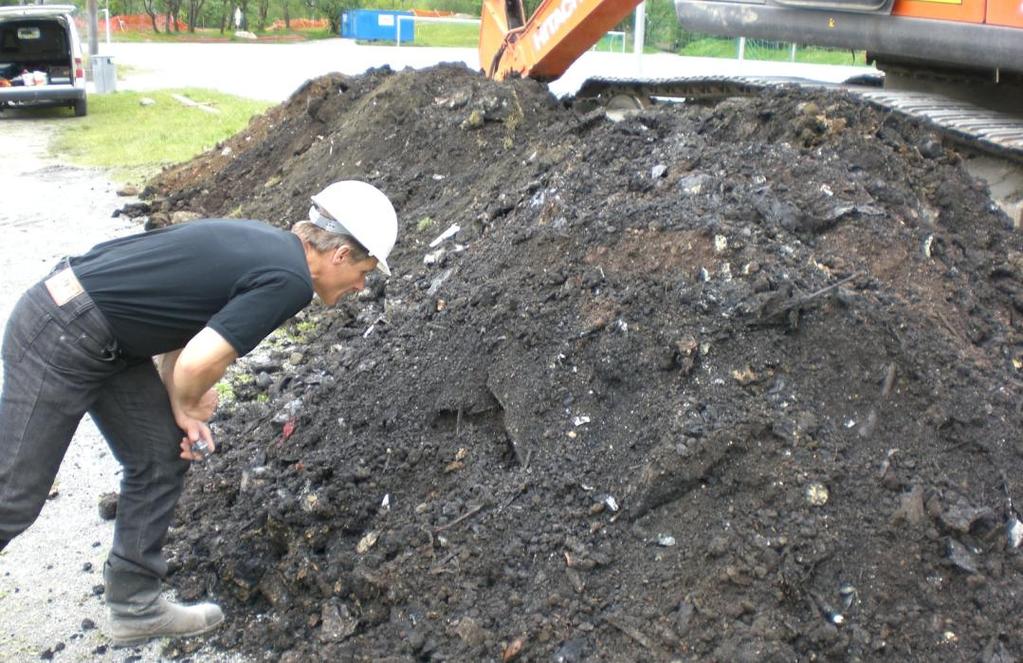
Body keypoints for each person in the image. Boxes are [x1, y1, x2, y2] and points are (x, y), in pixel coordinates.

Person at [0, 180, 397, 645]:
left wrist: (180, 408)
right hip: (64, 331)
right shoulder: (289, 281)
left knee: (159, 454)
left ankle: (136, 607)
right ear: (341, 254)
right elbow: (198, 362)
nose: (362, 285)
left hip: (98, 334)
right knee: (13, 494)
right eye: (365, 270)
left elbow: (181, 326)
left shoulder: (267, 246)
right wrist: (190, 401)